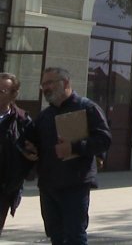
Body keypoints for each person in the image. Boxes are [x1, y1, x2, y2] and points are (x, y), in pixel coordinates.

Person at [20, 67, 112, 245]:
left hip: (75, 185)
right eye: (43, 84)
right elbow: (32, 143)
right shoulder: (45, 116)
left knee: (74, 236)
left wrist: (74, 147)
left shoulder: (87, 108)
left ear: (66, 83)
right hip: (48, 186)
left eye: (50, 83)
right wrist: (30, 149)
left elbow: (104, 140)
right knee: (56, 236)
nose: (45, 88)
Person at [0, 72, 31, 235]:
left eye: (1, 91)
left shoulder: (22, 121)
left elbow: (32, 151)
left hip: (4, 187)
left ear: (14, 94)